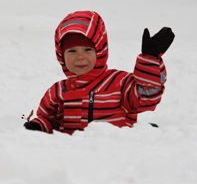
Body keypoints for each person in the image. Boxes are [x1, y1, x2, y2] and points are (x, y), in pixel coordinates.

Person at [24, 10, 174, 135]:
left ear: (100, 51)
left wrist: (150, 60)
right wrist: (38, 127)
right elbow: (48, 120)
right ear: (61, 55)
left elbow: (147, 95)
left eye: (88, 50)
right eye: (72, 51)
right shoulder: (57, 92)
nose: (80, 57)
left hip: (114, 156)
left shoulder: (119, 83)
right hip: (71, 158)